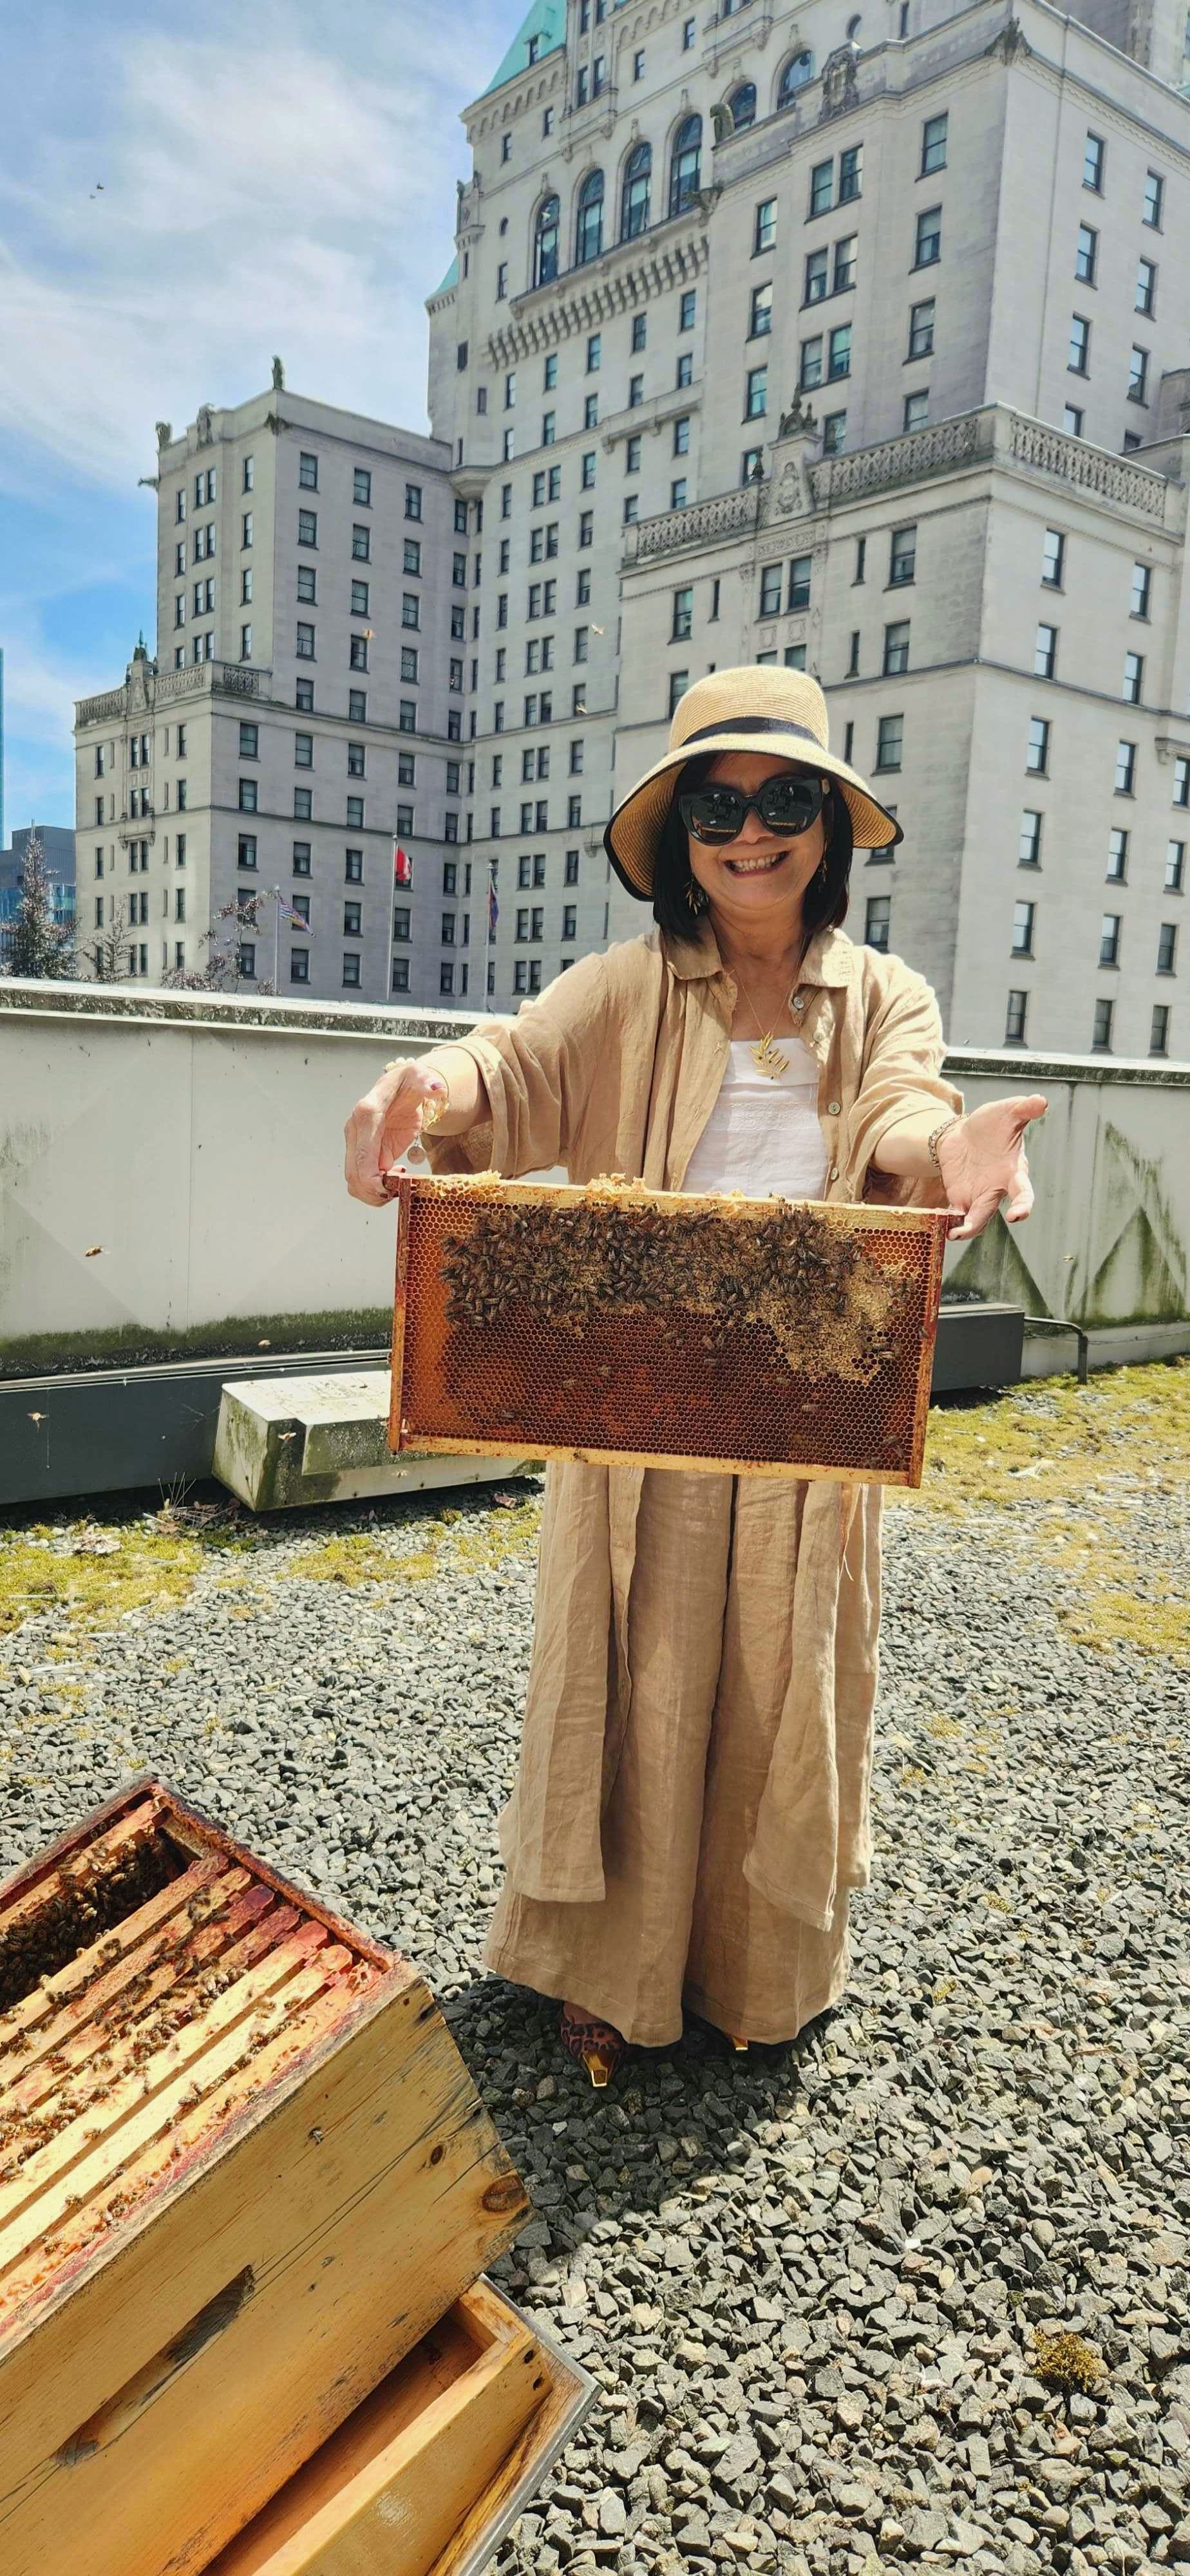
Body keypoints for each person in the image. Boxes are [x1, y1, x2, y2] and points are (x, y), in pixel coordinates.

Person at [345, 668, 1044, 2086]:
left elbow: (908, 1108)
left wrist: (952, 1152)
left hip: (807, 1407)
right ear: (678, 836)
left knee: (784, 1689)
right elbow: (516, 1065)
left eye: (786, 798)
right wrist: (430, 1085)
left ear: (829, 823)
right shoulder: (621, 983)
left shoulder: (886, 991)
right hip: (640, 1406)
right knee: (636, 1687)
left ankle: (756, 1978)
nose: (751, 831)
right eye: (717, 805)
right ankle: (605, 1974)